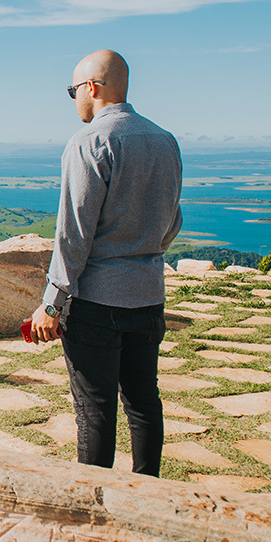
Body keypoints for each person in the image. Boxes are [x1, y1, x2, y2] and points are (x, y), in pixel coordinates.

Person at [29, 49, 182, 477]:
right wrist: (144, 254)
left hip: (97, 304)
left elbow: (73, 235)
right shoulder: (165, 141)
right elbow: (172, 222)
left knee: (95, 410)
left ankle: (94, 507)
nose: (74, 98)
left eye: (73, 90)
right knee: (143, 402)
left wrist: (52, 303)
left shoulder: (89, 143)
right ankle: (148, 493)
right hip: (148, 295)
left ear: (92, 89)